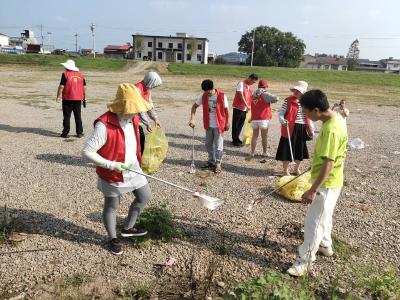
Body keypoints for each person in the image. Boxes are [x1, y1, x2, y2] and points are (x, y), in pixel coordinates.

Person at [82, 83, 153, 255]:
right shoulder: (103, 125)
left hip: (132, 167)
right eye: (133, 109)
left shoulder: (133, 119)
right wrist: (112, 165)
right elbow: (86, 152)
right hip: (112, 171)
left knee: (144, 196)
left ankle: (128, 227)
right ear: (121, 108)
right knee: (112, 205)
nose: (136, 113)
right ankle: (113, 238)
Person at [287, 89, 348, 277]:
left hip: (326, 183)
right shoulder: (336, 118)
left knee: (314, 222)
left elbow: (329, 163)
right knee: (324, 216)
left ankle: (303, 261)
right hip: (331, 180)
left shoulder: (331, 130)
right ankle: (326, 245)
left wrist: (313, 189)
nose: (304, 115)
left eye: (305, 112)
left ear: (316, 110)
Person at [189, 80, 229, 173]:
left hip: (219, 124)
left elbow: (227, 111)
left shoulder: (222, 96)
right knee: (208, 144)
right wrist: (192, 119)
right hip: (208, 124)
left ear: (213, 88)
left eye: (209, 92)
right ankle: (211, 161)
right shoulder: (203, 96)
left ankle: (218, 163)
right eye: (205, 92)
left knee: (218, 145)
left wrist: (228, 123)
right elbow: (194, 107)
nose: (208, 94)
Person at [275, 81, 313, 175]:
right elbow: (281, 113)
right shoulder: (288, 101)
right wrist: (282, 120)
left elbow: (309, 116)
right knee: (287, 149)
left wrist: (311, 128)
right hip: (290, 127)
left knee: (300, 150)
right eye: (295, 90)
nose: (295, 92)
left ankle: (297, 169)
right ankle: (285, 170)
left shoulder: (307, 103)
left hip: (302, 127)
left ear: (303, 92)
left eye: (298, 90)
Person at [56, 59, 86, 138]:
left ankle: (65, 133)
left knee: (66, 116)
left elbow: (61, 86)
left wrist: (58, 96)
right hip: (78, 98)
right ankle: (79, 132)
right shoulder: (81, 74)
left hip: (67, 98)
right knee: (78, 116)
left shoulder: (65, 74)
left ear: (67, 67)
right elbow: (84, 87)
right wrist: (84, 97)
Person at [249, 79, 279, 159]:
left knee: (254, 136)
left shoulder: (253, 95)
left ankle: (252, 153)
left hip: (254, 118)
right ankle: (265, 152)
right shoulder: (265, 94)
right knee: (264, 136)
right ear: (266, 86)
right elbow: (276, 99)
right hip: (264, 119)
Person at [134, 72, 163, 155]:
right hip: (129, 119)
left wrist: (155, 119)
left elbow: (149, 106)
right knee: (138, 140)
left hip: (136, 120)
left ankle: (139, 160)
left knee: (141, 140)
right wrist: (147, 123)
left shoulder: (147, 89)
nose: (154, 87)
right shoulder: (137, 89)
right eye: (154, 85)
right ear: (150, 81)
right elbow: (140, 109)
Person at [231, 73, 258, 147]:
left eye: (254, 82)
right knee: (236, 124)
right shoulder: (241, 83)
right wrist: (246, 105)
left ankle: (237, 138)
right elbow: (240, 95)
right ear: (249, 78)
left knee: (241, 124)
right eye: (253, 81)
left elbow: (251, 97)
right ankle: (234, 140)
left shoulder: (250, 87)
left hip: (245, 109)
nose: (253, 83)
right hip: (238, 107)